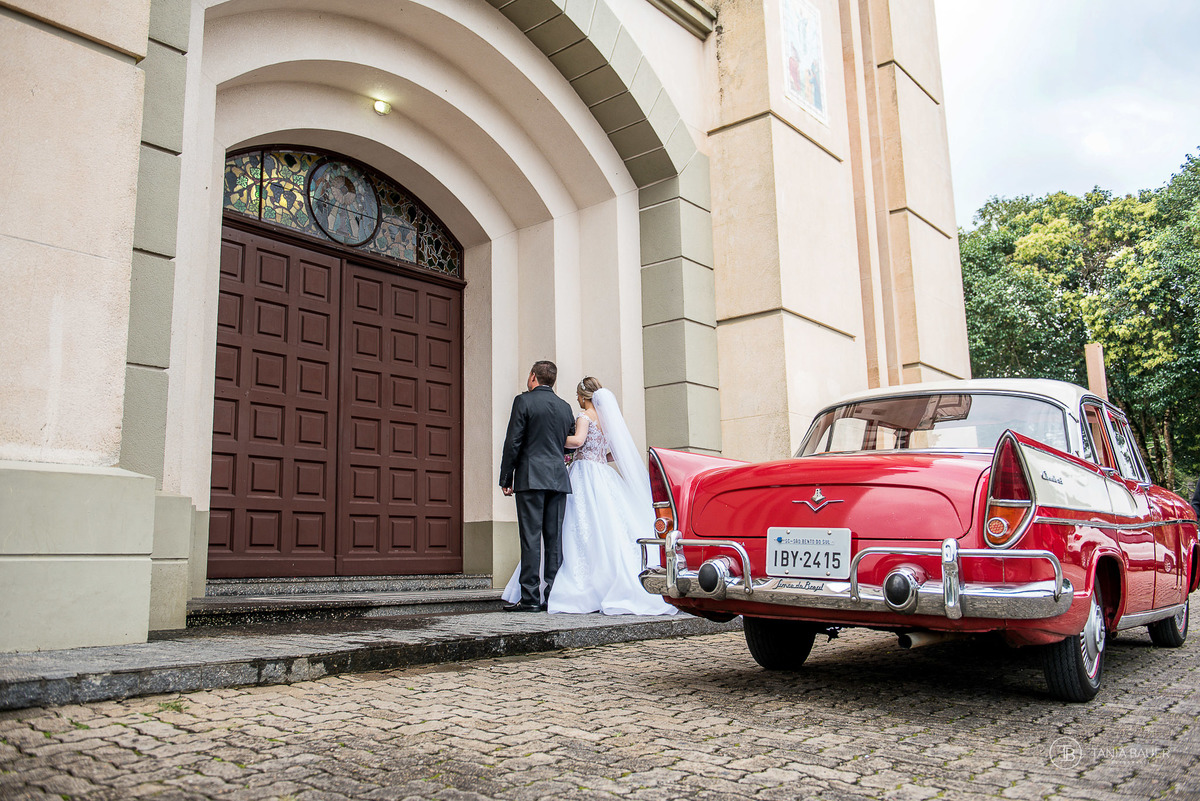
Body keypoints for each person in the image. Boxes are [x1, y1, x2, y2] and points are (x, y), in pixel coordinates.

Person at [503, 377, 676, 616]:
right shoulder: (607, 421)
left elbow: (578, 441)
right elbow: (612, 453)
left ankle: (563, 587)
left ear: (584, 396)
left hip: (584, 474)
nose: (577, 399)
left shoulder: (584, 417)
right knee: (605, 527)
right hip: (602, 473)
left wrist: (549, 439)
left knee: (574, 526)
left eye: (578, 395)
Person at [498, 361, 576, 612]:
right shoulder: (565, 407)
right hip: (557, 478)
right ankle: (553, 595)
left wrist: (506, 477)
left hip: (531, 477)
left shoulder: (524, 401)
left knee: (531, 538)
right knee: (554, 541)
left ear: (533, 376)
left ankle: (530, 597)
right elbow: (567, 444)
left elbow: (514, 441)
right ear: (552, 381)